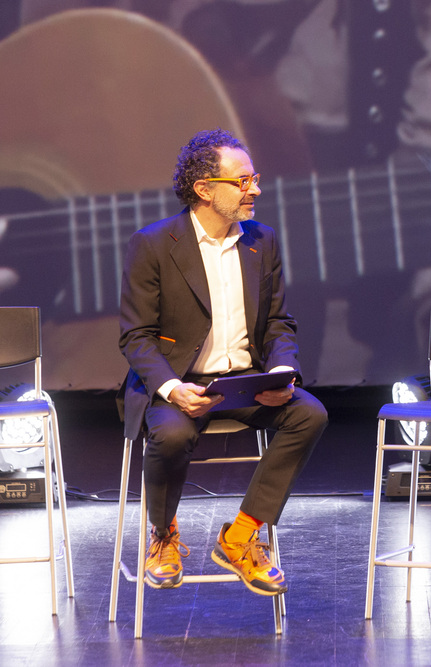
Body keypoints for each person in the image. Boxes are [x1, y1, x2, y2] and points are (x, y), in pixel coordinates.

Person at [118, 129, 328, 596]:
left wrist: (281, 372)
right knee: (171, 433)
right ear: (205, 189)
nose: (255, 188)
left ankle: (239, 536)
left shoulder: (262, 241)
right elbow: (136, 336)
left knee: (309, 413)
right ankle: (164, 535)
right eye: (244, 180)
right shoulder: (153, 244)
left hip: (244, 383)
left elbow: (277, 323)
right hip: (180, 384)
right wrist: (172, 388)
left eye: (255, 177)